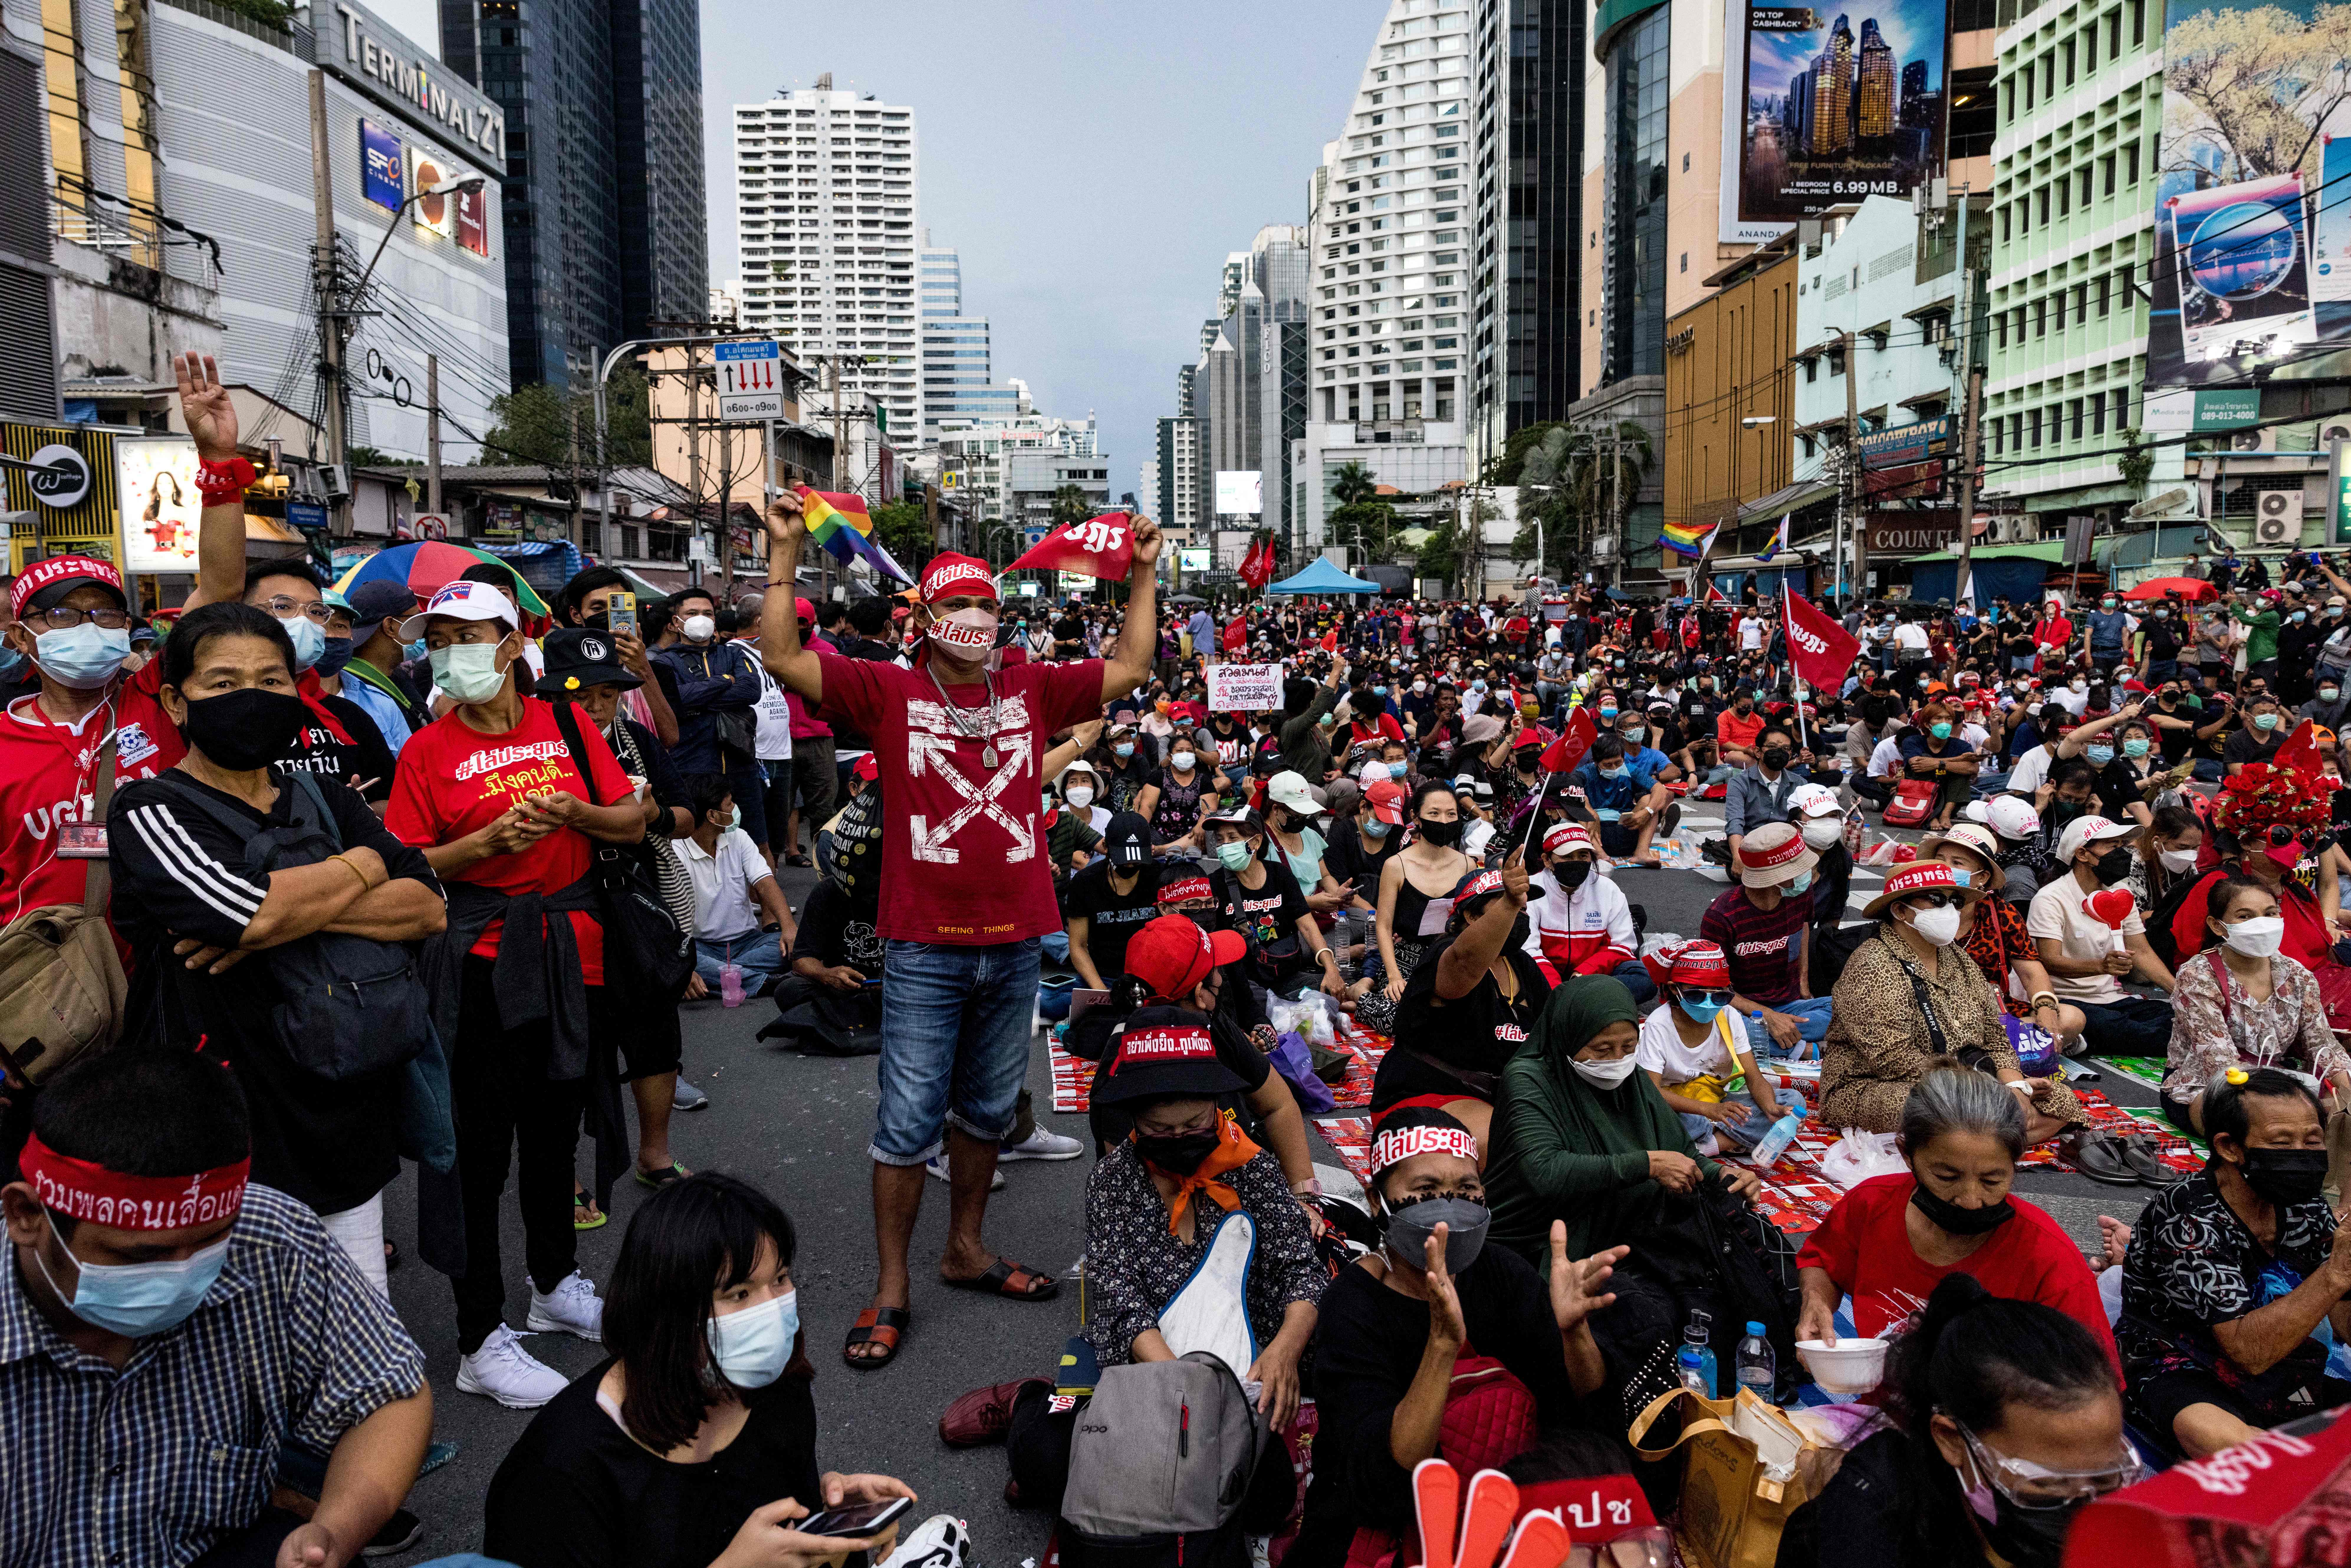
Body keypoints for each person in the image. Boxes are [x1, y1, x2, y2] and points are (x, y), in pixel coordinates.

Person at [759, 502, 1167, 1369]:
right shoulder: (890, 692)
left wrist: (1139, 573)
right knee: (907, 1123)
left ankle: (967, 1249)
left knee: (986, 1111)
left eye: (986, 608)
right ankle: (893, 1287)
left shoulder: (1032, 689)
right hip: (925, 947)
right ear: (925, 622)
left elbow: (1133, 663)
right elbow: (784, 656)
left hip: (1017, 942)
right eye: (956, 609)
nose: (974, 622)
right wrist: (786, 554)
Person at [106, 600, 448, 1292]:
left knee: (352, 1333)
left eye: (271, 681)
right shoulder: (149, 809)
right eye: (224, 683)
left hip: (344, 1111)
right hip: (219, 1132)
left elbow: (430, 905)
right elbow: (254, 915)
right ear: (176, 700)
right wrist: (366, 864)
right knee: (233, 1351)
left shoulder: (322, 795)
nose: (252, 699)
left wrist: (295, 906)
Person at [1, 1045, 432, 1567]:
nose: (182, 1273)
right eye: (142, 1254)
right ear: (26, 1214)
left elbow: (390, 1393)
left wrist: (333, 1533)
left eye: (210, 1243)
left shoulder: (267, 1237)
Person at [388, 579, 651, 1406]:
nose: (452, 653)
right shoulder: (425, 750)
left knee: (553, 1131)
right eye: (439, 640)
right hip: (477, 958)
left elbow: (632, 820)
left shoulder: (567, 722)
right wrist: (482, 843)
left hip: (574, 952)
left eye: (468, 636)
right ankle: (478, 1334)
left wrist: (576, 809)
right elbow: (406, 863)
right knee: (478, 1148)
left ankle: (554, 1280)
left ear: (510, 646)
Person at [482, 1172, 927, 1568]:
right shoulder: (560, 1473)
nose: (772, 1311)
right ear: (663, 1311)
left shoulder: (778, 1390)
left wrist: (827, 1519)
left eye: (780, 1279)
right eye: (737, 1293)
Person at [1292, 1108, 1626, 1564]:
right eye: (1425, 1191)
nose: (1448, 1209)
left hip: (1504, 1506)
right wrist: (1442, 1345)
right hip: (1388, 1533)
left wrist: (1574, 1334)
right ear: (1376, 1199)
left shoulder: (1502, 1273)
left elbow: (1583, 1417)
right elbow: (1380, 1486)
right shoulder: (1353, 1306)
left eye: (1466, 1190)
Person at [1483, 976, 1767, 1374]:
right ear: (1568, 1036)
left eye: (1627, 1047)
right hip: (1539, 1238)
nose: (1616, 1058)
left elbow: (1681, 1152)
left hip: (1625, 1231)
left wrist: (1723, 1176)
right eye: (1601, 1049)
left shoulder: (1629, 1078)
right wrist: (1645, 1164)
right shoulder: (1530, 1078)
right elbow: (1544, 1170)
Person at [1809, 1275, 2138, 1568]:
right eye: (2044, 1485)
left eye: (2106, 1481)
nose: (2083, 1511)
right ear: (1951, 1439)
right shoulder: (1871, 1516)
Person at [1797, 1069, 2120, 1360]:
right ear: (1907, 1155)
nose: (1970, 1201)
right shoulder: (1870, 1206)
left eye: (1992, 1180)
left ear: (2016, 1163)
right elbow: (1823, 1261)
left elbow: (2095, 1394)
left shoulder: (2048, 1258)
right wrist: (1817, 1301)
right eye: (1947, 1178)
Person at [2118, 1067, 2351, 1457]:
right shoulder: (2187, 1214)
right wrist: (2336, 1273)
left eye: (2312, 1140)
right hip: (2182, 1364)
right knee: (2227, 1442)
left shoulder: (2306, 1207)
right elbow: (2248, 1352)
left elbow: (2344, 1325)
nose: (2302, 1153)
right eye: (2281, 1142)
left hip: (2288, 1365)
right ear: (2229, 1147)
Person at [1821, 862, 2112, 1159]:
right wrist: (1996, 1088)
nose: (1950, 910)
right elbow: (1894, 1062)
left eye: (1956, 901)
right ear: (1900, 911)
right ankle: (2000, 1133)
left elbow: (1996, 1035)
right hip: (1879, 1086)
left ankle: (1988, 1135)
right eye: (1936, 899)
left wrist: (2013, 1083)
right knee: (1949, 1110)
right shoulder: (1873, 964)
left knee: (2060, 1098)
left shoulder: (1958, 959)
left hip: (1970, 1075)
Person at [1370, 863, 1553, 1149]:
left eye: (1523, 908)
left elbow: (1554, 1028)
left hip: (1503, 1095)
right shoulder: (1446, 956)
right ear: (1470, 915)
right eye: (1506, 904)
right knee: (1512, 1144)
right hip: (1429, 1092)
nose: (1519, 914)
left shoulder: (1521, 963)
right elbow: (1465, 965)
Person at [2162, 873, 2350, 1133]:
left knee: (2334, 1116)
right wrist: (2294, 1097)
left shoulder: (2298, 975)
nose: (2262, 924)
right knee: (2253, 1125)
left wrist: (2348, 1092)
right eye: (2245, 916)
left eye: (2270, 913)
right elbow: (2221, 1064)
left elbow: (2323, 1046)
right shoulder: (2197, 976)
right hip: (2208, 1084)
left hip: (2277, 1079)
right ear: (2218, 926)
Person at [1636, 940, 1808, 1156]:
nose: (1709, 1004)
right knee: (1649, 1119)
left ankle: (1705, 1146)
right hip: (1678, 1108)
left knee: (1792, 1102)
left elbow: (1754, 1077)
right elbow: (1651, 1093)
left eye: (1719, 996)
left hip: (1717, 1102)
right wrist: (1709, 1111)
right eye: (1697, 995)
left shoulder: (1729, 1017)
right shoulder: (1658, 1025)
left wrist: (1771, 1109)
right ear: (1674, 989)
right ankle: (1726, 1140)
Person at [1923, 824, 2086, 1048]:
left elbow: (2031, 970)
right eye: (1940, 859)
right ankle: (2003, 1051)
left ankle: (1984, 1052)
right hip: (1933, 1009)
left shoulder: (2001, 913)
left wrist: (2046, 1008)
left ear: (1982, 877)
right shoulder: (1919, 905)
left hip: (1993, 1010)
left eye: (1957, 863)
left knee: (2071, 1017)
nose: (1945, 867)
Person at [2027, 815, 2177, 1057]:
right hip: (2067, 1001)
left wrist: (2182, 994)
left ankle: (2090, 1039)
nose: (2122, 853)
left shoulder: (2121, 892)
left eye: (2122, 845)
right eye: (2113, 846)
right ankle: (2080, 1036)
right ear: (2083, 854)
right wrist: (2101, 966)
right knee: (2146, 1034)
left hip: (2111, 999)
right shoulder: (2050, 899)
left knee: (2179, 1020)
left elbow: (2142, 951)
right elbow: (2049, 960)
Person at [1701, 823, 1834, 1058]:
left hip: (1790, 1004)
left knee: (1848, 1008)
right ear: (1777, 880)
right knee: (1722, 1027)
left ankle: (1781, 1041)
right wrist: (1768, 1017)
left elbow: (1803, 927)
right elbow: (1715, 988)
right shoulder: (1722, 916)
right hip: (1742, 1008)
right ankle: (1803, 1049)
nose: (1809, 875)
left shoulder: (1801, 894)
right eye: (1800, 870)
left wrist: (1803, 983)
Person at [1361, 781, 1475, 1035]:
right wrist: (1393, 975)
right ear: (1416, 817)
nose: (1443, 821)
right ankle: (1360, 996)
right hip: (1407, 956)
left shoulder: (1468, 865)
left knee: (1461, 1019)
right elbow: (1383, 924)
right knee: (1401, 1020)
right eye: (1434, 813)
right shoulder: (1397, 865)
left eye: (1451, 814)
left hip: (1450, 957)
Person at [1204, 806, 1351, 1003]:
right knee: (1253, 999)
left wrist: (1331, 968)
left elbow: (1307, 927)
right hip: (1242, 981)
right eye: (1220, 840)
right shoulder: (1214, 884)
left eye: (1233, 838)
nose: (1225, 846)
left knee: (1333, 991)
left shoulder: (1280, 875)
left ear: (1256, 841)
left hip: (1284, 973)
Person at [677, 773, 798, 1001]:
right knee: (681, 961)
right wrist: (684, 964)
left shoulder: (739, 838)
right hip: (700, 946)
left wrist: (789, 927)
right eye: (730, 803)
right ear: (712, 815)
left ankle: (722, 977)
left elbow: (765, 884)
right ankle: (761, 982)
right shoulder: (677, 850)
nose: (735, 807)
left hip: (748, 942)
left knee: (795, 944)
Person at [1521, 822, 1652, 1002]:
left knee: (1643, 978)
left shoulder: (1608, 889)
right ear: (1547, 860)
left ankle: (1572, 1004)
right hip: (1545, 975)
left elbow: (1624, 946)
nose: (1576, 862)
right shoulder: (1531, 890)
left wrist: (1582, 974)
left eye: (1583, 855)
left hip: (1591, 976)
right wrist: (1555, 988)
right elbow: (1529, 950)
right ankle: (1583, 1004)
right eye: (1567, 857)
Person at [1064, 812, 1169, 989]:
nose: (1130, 867)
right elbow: (1079, 947)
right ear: (1105, 847)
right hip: (1103, 976)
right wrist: (1101, 993)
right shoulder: (1085, 882)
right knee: (1051, 999)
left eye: (1137, 862)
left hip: (1153, 975)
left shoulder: (1162, 876)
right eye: (1124, 861)